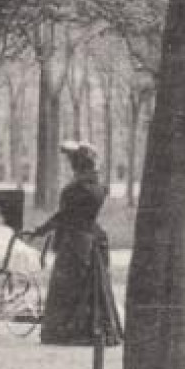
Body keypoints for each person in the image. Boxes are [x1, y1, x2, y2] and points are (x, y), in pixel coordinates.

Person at [28, 140, 123, 347]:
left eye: (72, 161)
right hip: (93, 239)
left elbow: (63, 217)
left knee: (67, 287)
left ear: (77, 165)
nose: (70, 165)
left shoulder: (74, 190)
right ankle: (95, 330)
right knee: (93, 286)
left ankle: (67, 333)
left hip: (75, 242)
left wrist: (39, 231)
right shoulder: (99, 188)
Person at [0, 202, 44, 276]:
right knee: (14, 250)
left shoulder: (6, 229)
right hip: (5, 254)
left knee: (19, 249)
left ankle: (21, 263)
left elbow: (13, 241)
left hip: (10, 252)